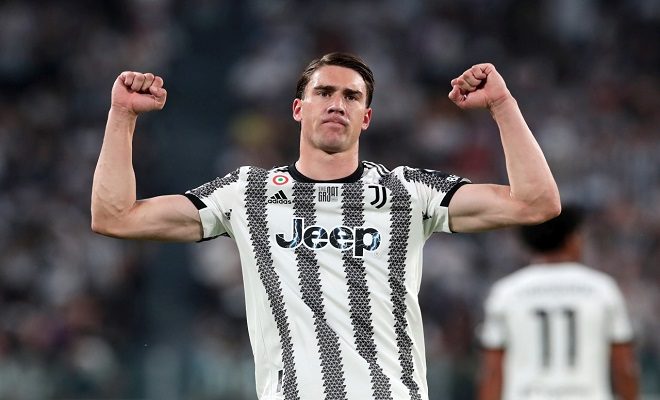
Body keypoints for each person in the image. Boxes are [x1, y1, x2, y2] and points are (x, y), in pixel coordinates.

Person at [91, 52, 560, 400]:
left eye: (351, 97)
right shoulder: (247, 192)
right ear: (299, 108)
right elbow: (115, 217)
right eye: (324, 92)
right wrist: (122, 117)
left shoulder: (407, 191)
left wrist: (502, 105)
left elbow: (536, 203)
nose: (337, 104)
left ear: (366, 118)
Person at [477, 205, 639, 400]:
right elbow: (624, 367)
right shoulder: (602, 289)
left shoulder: (506, 292)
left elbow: (492, 371)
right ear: (571, 239)